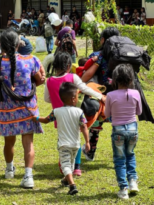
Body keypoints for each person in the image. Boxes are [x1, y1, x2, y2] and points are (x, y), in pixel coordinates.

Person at [0, 29, 45, 188]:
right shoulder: (31, 60)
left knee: (9, 142)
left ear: (1, 45)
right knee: (28, 142)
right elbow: (40, 80)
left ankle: (9, 170)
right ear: (18, 43)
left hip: (7, 109)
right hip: (28, 107)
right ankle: (28, 176)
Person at [44, 52, 105, 176]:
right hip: (74, 114)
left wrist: (56, 98)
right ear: (68, 66)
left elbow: (46, 99)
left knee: (62, 138)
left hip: (59, 116)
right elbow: (85, 88)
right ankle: (76, 167)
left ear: (55, 66)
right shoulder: (73, 77)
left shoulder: (49, 81)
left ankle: (65, 163)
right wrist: (100, 96)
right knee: (76, 138)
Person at [34, 82, 90, 195]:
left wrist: (35, 118)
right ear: (73, 99)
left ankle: (72, 185)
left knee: (65, 165)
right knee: (71, 165)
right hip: (76, 145)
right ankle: (66, 180)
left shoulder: (57, 111)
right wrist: (87, 142)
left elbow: (46, 120)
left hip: (64, 145)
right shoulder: (79, 112)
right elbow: (84, 126)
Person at [80, 27, 120, 161]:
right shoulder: (122, 55)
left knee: (96, 122)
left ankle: (90, 151)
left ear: (103, 40)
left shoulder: (97, 56)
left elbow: (87, 76)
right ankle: (120, 155)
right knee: (119, 125)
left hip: (100, 97)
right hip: (120, 96)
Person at [105, 64, 141, 199]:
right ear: (131, 79)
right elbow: (139, 111)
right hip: (133, 129)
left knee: (119, 159)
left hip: (118, 130)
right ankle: (133, 182)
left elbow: (107, 114)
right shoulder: (136, 93)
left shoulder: (110, 95)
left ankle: (123, 189)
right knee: (130, 154)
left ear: (114, 80)